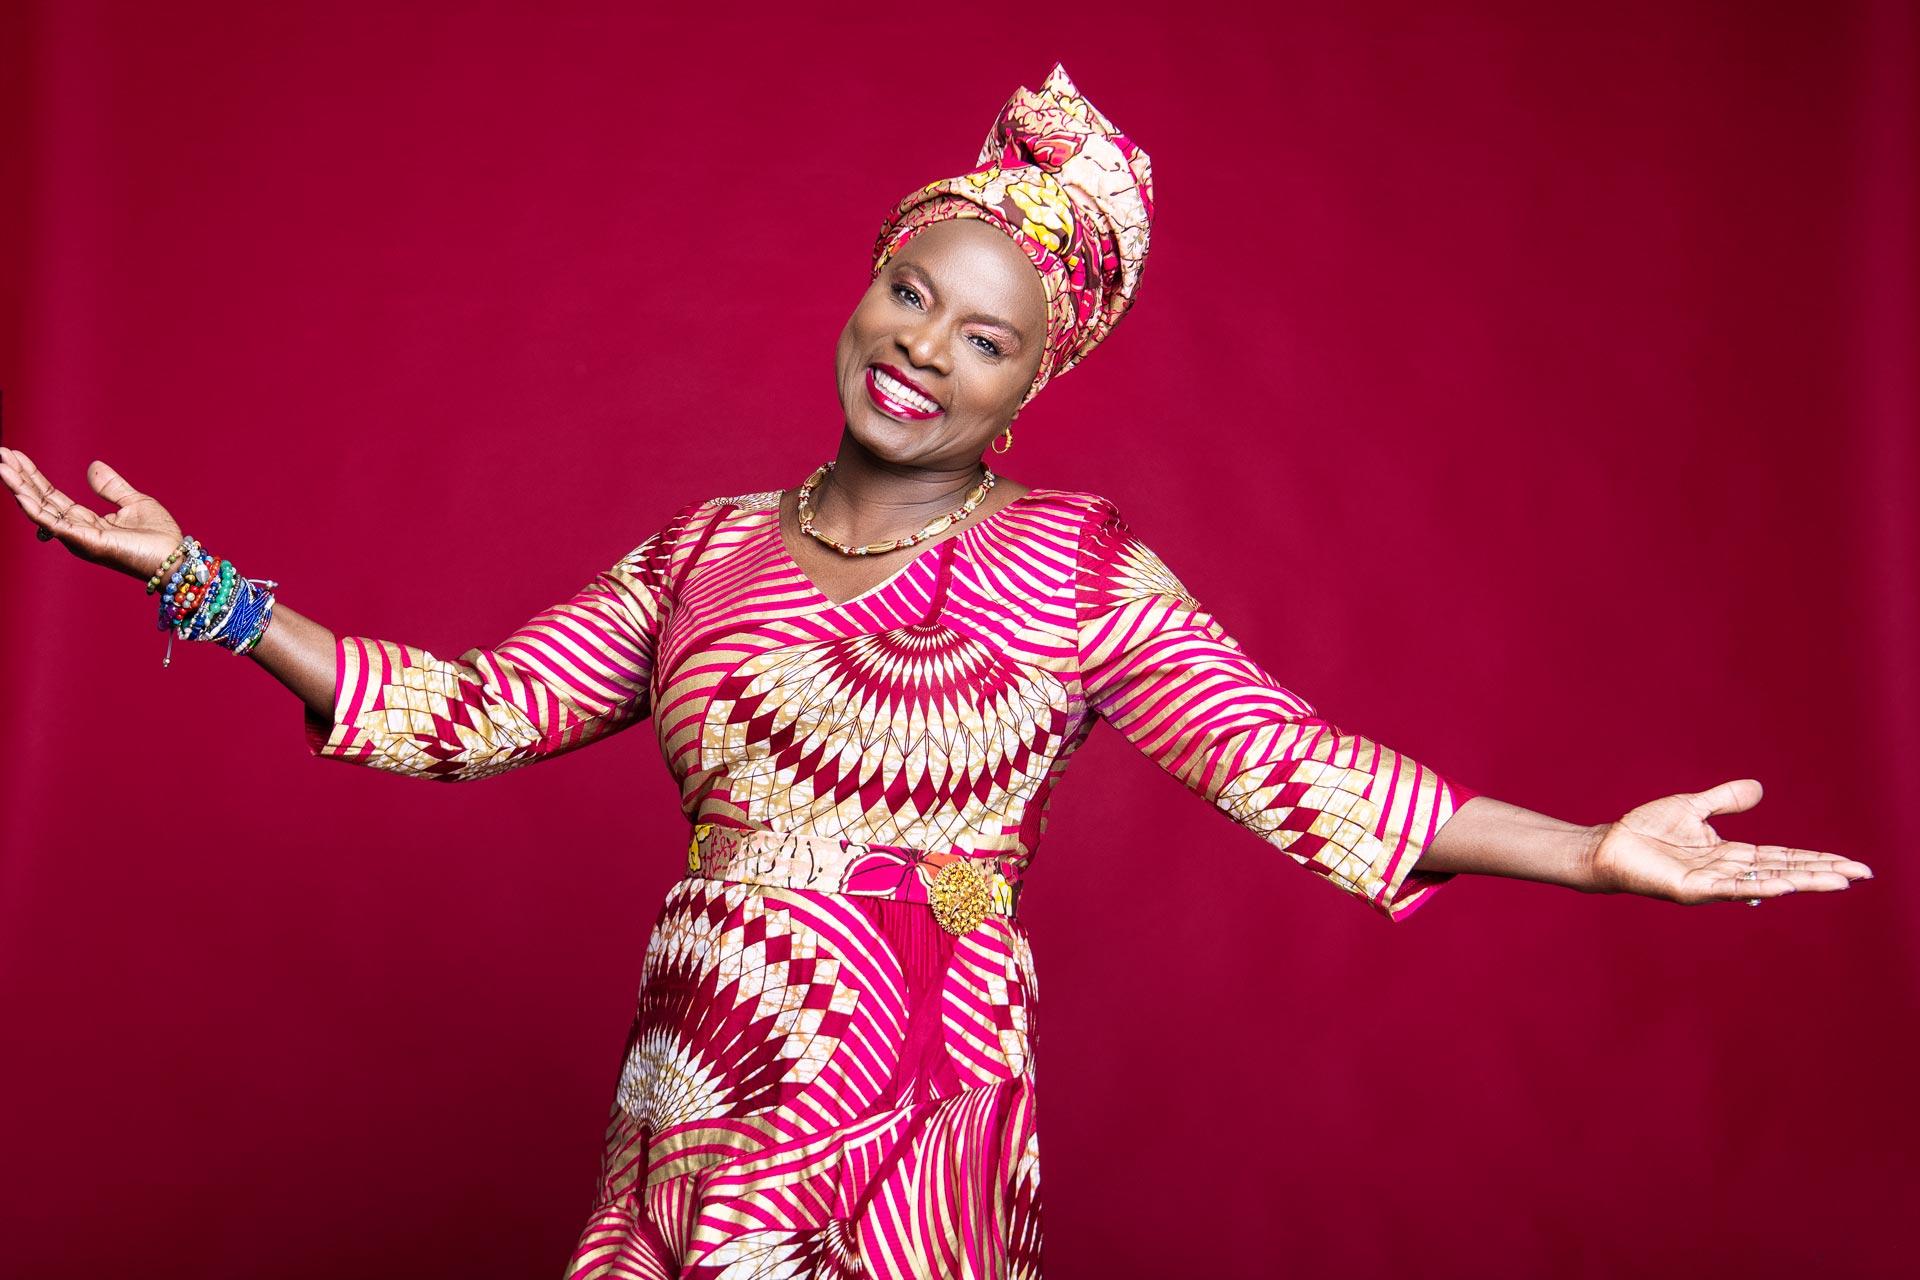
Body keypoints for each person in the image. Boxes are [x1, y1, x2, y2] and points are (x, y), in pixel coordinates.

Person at [0, 65, 1871, 1280]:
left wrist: (1595, 853)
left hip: (919, 1087)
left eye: (985, 339)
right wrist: (212, 593)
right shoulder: (701, 550)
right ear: (868, 281)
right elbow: (463, 713)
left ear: (1031, 381)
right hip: (697, 1066)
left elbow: (1293, 764)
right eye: (913, 293)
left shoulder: (1079, 567)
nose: (926, 351)